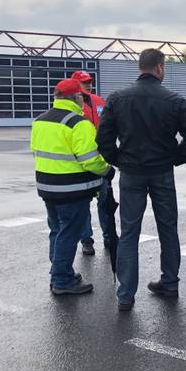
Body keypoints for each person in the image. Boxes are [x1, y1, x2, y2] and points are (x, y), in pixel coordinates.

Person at [96, 48, 186, 311]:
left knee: (129, 232)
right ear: (159, 68)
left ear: (140, 67)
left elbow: (103, 140)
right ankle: (170, 283)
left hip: (131, 173)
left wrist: (119, 159)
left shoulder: (117, 99)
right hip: (161, 172)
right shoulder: (174, 100)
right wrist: (174, 158)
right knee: (168, 228)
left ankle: (125, 295)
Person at [31, 78, 113, 295]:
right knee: (69, 233)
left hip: (47, 187)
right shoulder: (78, 123)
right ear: (76, 97)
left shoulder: (40, 121)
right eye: (81, 97)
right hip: (71, 189)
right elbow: (90, 159)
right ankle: (62, 280)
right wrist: (107, 170)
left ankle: (60, 271)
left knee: (56, 230)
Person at [71, 70, 110, 256]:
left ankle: (109, 236)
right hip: (81, 163)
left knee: (105, 201)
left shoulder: (99, 101)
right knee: (84, 204)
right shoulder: (71, 107)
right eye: (84, 82)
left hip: (100, 158)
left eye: (90, 81)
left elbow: (108, 125)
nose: (89, 84)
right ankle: (86, 240)